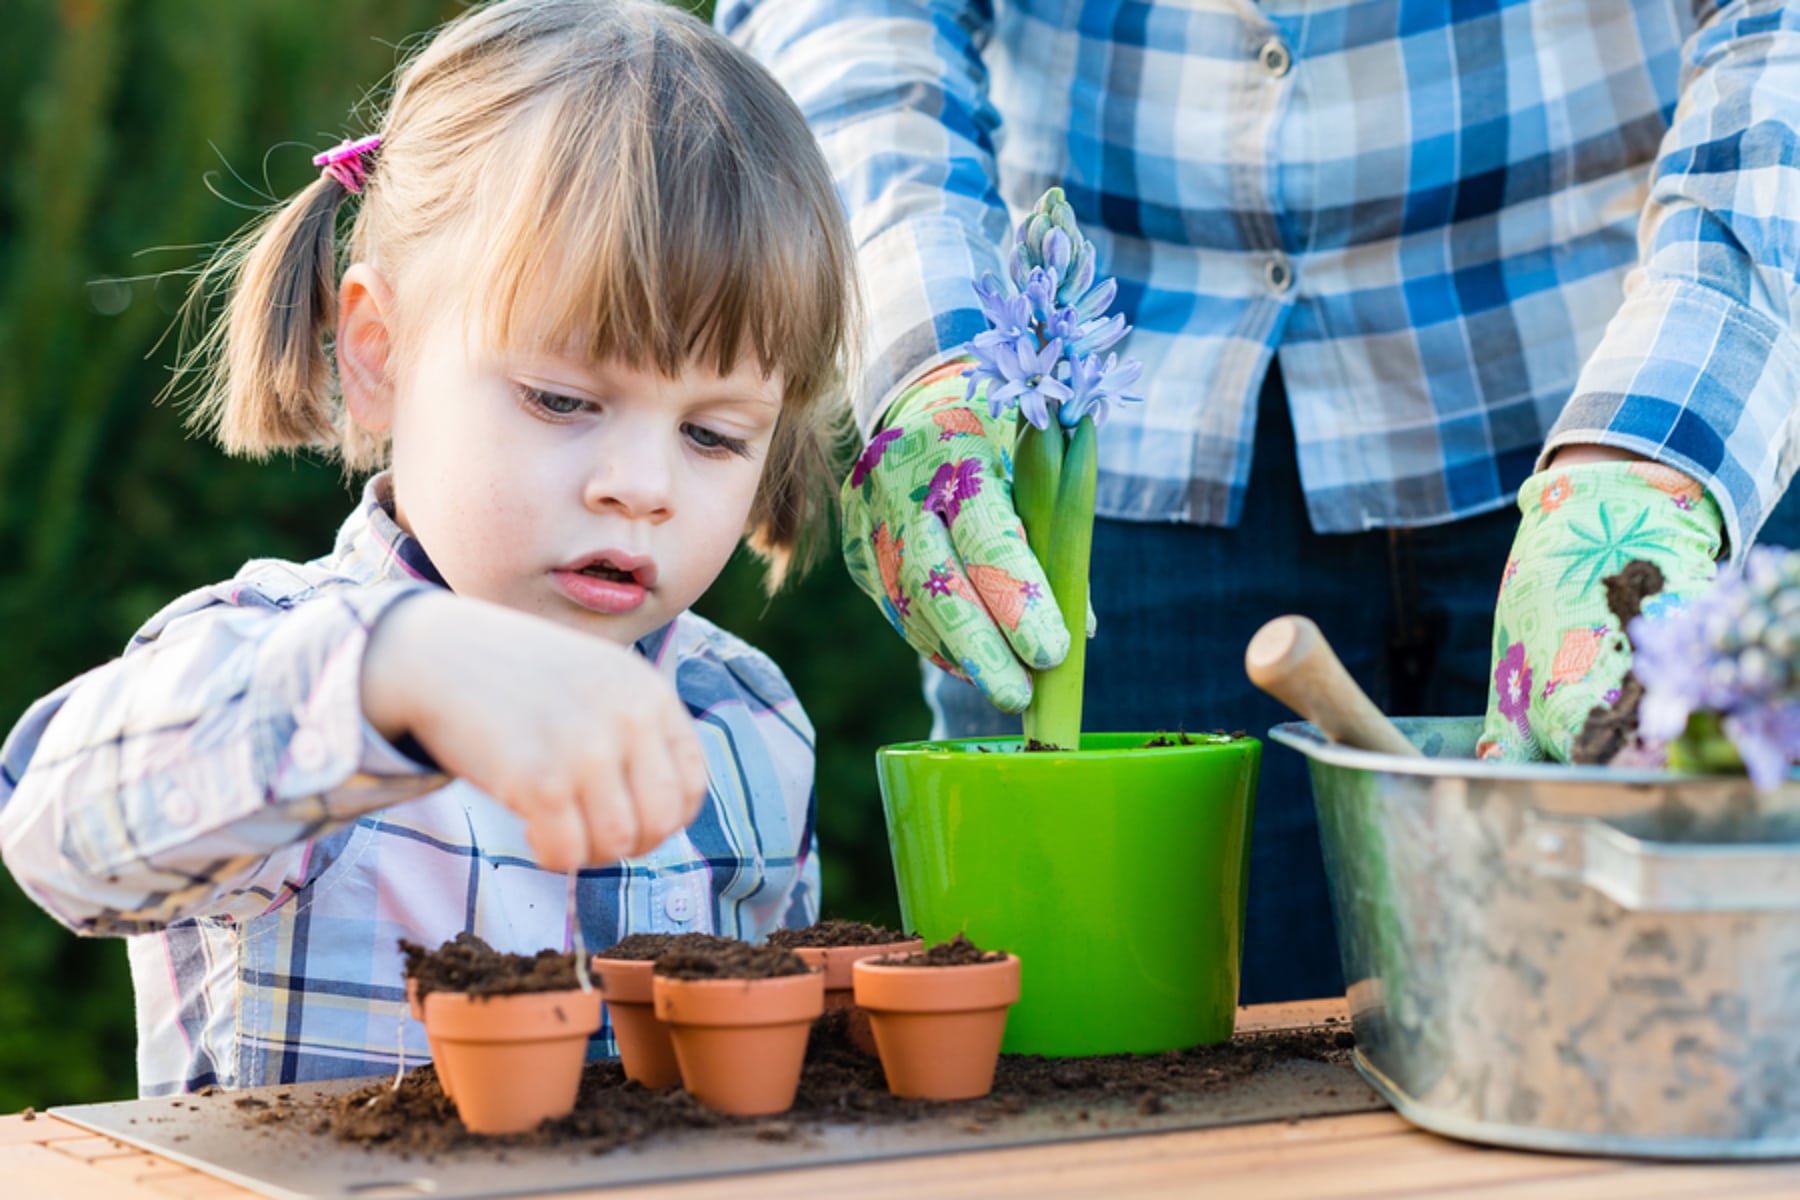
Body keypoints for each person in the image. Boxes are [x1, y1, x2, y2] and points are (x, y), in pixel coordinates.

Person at [719, 2, 1800, 1004]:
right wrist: (921, 348)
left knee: (1665, 1042)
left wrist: (1648, 461)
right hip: (1117, 444)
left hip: (1628, 388)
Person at [0, 0, 857, 1096]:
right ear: (378, 355)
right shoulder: (289, 659)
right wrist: (394, 671)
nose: (640, 486)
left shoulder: (747, 722)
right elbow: (55, 829)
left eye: (712, 433)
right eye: (560, 398)